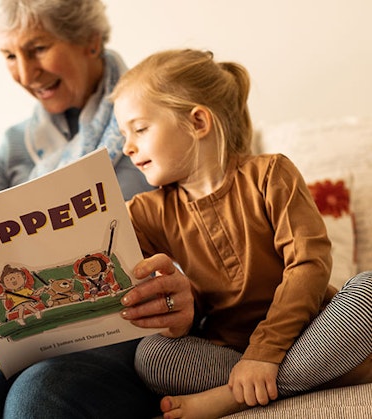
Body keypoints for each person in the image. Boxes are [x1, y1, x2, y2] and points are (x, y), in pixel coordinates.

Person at [0, 1, 196, 418]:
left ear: (90, 41)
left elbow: (217, 236)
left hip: (124, 331)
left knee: (38, 393)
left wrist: (189, 294)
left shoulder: (157, 125)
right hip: (22, 331)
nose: (26, 74)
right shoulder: (14, 146)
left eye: (39, 48)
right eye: (10, 56)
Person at [110, 48, 372, 419]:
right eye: (124, 134)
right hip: (229, 351)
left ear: (198, 122)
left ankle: (234, 396)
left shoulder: (270, 175)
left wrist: (265, 353)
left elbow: (309, 265)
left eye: (139, 128)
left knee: (369, 289)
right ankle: (315, 377)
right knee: (153, 356)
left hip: (314, 333)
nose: (127, 147)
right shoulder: (148, 211)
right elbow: (102, 248)